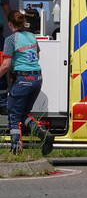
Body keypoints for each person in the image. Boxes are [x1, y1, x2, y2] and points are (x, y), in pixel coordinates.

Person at [0, 10, 53, 154]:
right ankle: (43, 134)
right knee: (23, 114)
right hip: (37, 79)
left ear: (10, 24)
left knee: (13, 114)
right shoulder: (31, 36)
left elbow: (5, 65)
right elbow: (37, 56)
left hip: (23, 80)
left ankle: (16, 150)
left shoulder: (11, 39)